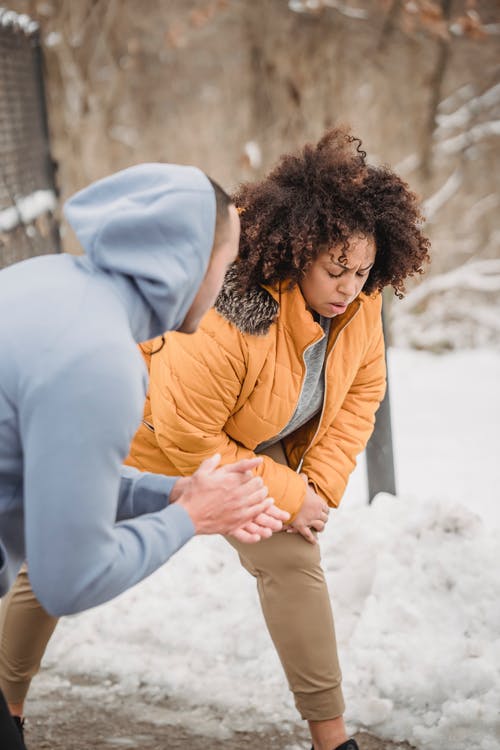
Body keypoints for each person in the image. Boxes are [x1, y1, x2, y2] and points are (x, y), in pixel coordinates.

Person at [0, 130, 430, 750]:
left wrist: (314, 493)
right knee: (48, 559)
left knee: (290, 555)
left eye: (362, 272)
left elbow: (363, 394)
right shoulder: (227, 313)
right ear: (298, 251)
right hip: (156, 432)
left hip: (253, 437)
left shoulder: (359, 304)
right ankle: (8, 704)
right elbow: (185, 435)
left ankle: (332, 740)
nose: (349, 286)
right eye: (336, 269)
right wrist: (245, 497)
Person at [0, 163, 289, 747]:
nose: (229, 283)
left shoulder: (48, 279)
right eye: (226, 263)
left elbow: (50, 477)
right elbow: (68, 581)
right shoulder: (99, 360)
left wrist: (172, 492)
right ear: (185, 258)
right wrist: (189, 519)